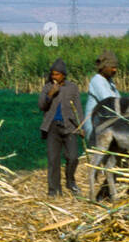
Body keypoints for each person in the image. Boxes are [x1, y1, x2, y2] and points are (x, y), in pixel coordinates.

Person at [38, 58, 83, 198]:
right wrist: (50, 94)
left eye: (57, 74)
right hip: (52, 128)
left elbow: (78, 108)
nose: (54, 77)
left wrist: (81, 125)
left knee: (73, 157)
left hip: (69, 127)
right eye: (52, 74)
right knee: (53, 160)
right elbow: (41, 106)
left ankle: (70, 181)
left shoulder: (72, 88)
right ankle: (54, 190)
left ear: (63, 75)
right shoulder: (47, 88)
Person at [82, 50, 120, 140]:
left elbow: (118, 100)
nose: (115, 70)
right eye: (112, 67)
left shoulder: (110, 82)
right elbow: (109, 101)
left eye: (116, 67)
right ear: (104, 67)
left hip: (107, 124)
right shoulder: (97, 80)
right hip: (95, 127)